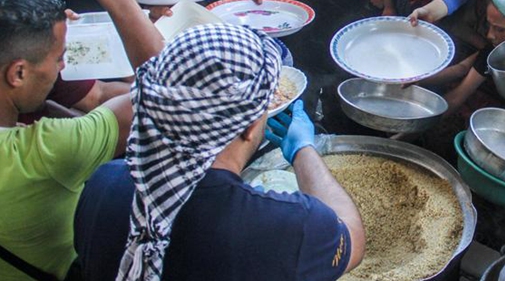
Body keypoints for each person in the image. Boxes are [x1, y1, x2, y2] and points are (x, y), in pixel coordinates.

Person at [73, 25, 365, 280]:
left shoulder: (103, 184)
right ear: (251, 126)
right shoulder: (287, 225)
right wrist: (304, 150)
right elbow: (351, 235)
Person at [0, 0, 164, 281]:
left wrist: (46, 40)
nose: (64, 66)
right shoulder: (41, 152)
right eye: (59, 57)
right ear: (17, 74)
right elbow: (168, 90)